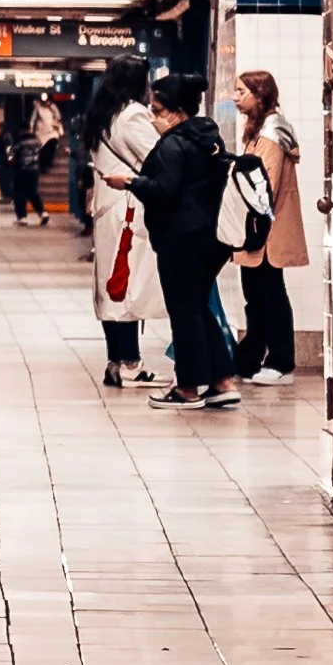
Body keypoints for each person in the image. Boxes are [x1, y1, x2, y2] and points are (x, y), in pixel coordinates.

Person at [100, 71, 240, 410]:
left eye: (157, 110)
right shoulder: (209, 138)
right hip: (212, 238)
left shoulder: (174, 144)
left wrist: (129, 182)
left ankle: (188, 389)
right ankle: (222, 381)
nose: (152, 116)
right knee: (199, 309)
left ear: (177, 111)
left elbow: (163, 190)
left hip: (182, 240)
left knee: (184, 313)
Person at [83, 55, 161, 386]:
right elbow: (158, 158)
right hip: (127, 210)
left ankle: (116, 359)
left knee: (109, 284)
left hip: (108, 208)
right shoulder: (132, 116)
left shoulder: (103, 115)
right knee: (123, 284)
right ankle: (130, 363)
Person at [233, 69, 308, 383]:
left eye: (240, 92)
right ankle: (251, 358)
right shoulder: (261, 131)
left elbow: (264, 184)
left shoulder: (271, 135)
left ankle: (280, 362)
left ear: (259, 95)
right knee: (258, 295)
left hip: (266, 230)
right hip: (258, 228)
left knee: (270, 295)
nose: (235, 98)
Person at [10, 118, 46, 224]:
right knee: (33, 192)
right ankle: (42, 213)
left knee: (19, 194)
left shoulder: (19, 142)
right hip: (34, 171)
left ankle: (22, 217)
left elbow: (12, 156)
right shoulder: (37, 141)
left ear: (21, 130)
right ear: (30, 129)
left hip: (21, 171)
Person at [31, 92, 64, 177]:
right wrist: (31, 127)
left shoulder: (52, 106)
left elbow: (58, 116)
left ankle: (48, 164)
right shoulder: (38, 107)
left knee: (51, 148)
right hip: (42, 131)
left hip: (52, 131)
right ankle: (43, 167)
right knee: (43, 150)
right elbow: (33, 118)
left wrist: (51, 107)